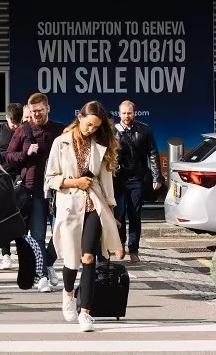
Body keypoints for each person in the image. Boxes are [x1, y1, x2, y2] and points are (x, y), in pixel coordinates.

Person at [44, 100, 124, 333]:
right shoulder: (61, 142)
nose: (92, 130)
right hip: (69, 205)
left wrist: (111, 211)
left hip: (94, 205)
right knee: (71, 259)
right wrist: (74, 182)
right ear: (79, 118)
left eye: (96, 127)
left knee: (89, 257)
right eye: (89, 124)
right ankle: (68, 293)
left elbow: (107, 182)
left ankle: (86, 312)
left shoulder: (100, 145)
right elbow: (50, 178)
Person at [6, 92, 64, 292]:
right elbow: (9, 156)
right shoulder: (24, 130)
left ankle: (47, 261)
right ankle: (42, 276)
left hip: (58, 190)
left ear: (48, 108)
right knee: (37, 234)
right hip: (34, 189)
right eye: (33, 111)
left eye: (40, 110)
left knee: (62, 233)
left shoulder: (60, 130)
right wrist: (25, 153)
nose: (36, 114)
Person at [114, 100, 163, 263]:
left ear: (135, 113)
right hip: (118, 180)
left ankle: (133, 249)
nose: (127, 116)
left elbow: (153, 154)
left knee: (134, 215)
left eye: (130, 113)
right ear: (119, 114)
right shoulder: (113, 131)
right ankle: (119, 244)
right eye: (124, 113)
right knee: (118, 214)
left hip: (138, 179)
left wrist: (156, 177)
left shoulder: (145, 130)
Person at [0, 103, 23, 269]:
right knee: (3, 217)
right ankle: (6, 254)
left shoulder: (24, 130)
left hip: (19, 178)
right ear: (6, 118)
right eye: (12, 123)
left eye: (18, 122)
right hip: (2, 178)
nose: (15, 126)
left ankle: (22, 251)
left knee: (20, 216)